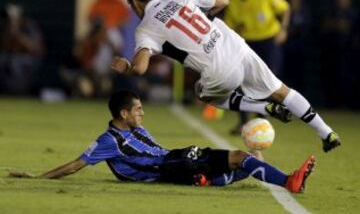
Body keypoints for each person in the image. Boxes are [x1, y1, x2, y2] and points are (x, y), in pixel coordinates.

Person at [111, 0, 340, 152]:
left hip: (217, 68)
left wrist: (127, 68)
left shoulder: (146, 28)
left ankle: (262, 108)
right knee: (282, 91)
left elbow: (140, 68)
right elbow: (224, 0)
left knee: (203, 94)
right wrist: (206, 17)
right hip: (236, 45)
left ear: (133, 3)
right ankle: (326, 132)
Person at [9, 90, 315, 193]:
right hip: (167, 167)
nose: (143, 112)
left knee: (252, 161)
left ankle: (204, 180)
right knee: (239, 157)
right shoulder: (109, 139)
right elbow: (76, 165)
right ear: (123, 113)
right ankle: (290, 181)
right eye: (138, 109)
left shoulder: (137, 130)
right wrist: (39, 177)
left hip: (175, 160)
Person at [224, 0, 291, 134]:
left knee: (267, 81)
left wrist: (283, 29)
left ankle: (262, 120)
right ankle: (243, 123)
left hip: (268, 41)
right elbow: (229, 27)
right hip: (248, 44)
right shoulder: (232, 1)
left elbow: (285, 8)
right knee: (242, 81)